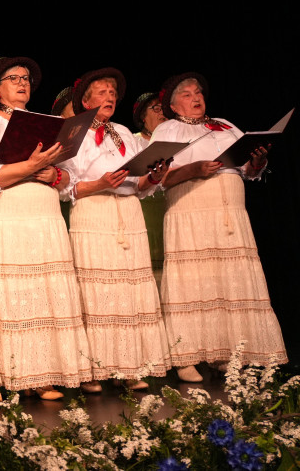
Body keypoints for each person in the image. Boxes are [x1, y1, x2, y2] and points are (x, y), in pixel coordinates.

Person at [0, 57, 92, 399]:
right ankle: (4, 373)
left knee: (43, 291)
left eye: (25, 79)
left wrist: (54, 174)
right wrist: (30, 165)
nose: (22, 83)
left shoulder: (50, 122)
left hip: (44, 210)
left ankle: (43, 373)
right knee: (13, 291)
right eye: (13, 78)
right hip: (7, 208)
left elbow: (69, 176)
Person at [150, 72, 286, 381]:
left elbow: (246, 169)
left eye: (198, 92)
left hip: (230, 213)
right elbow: (161, 179)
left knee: (227, 280)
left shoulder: (225, 125)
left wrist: (256, 164)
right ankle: (187, 357)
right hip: (191, 211)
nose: (195, 97)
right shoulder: (167, 130)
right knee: (194, 280)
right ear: (172, 105)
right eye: (186, 94)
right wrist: (195, 169)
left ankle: (224, 351)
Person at [59, 69, 171, 392]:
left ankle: (129, 365)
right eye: (102, 91)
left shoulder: (122, 131)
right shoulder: (72, 131)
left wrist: (153, 177)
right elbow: (67, 186)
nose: (109, 96)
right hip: (94, 213)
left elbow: (138, 183)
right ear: (85, 100)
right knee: (97, 293)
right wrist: (99, 183)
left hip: (128, 214)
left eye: (112, 92)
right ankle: (94, 369)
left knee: (128, 293)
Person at [132, 91, 168, 271]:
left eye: (164, 107)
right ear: (143, 116)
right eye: (156, 108)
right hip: (146, 213)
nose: (162, 112)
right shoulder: (134, 142)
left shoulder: (177, 141)